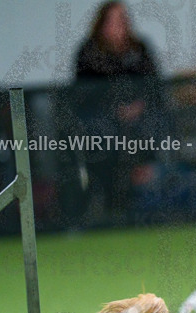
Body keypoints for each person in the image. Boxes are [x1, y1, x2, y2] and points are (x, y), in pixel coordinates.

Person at [72, 1, 166, 218]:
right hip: (102, 122)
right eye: (112, 20)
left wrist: (138, 107)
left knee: (155, 126)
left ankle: (147, 198)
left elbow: (154, 88)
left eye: (122, 20)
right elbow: (83, 95)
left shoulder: (140, 49)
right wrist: (114, 109)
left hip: (139, 120)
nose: (118, 26)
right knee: (103, 136)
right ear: (102, 23)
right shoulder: (89, 52)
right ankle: (109, 203)